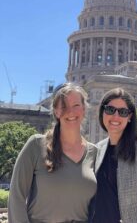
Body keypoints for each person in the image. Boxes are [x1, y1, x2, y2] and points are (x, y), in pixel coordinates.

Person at [8, 83, 97, 223]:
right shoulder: (36, 145)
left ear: (84, 109)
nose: (71, 112)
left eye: (76, 105)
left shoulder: (95, 153)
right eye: (64, 106)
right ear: (56, 111)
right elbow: (16, 197)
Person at [89, 88, 137, 223]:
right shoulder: (97, 149)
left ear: (129, 117)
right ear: (102, 112)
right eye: (110, 110)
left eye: (123, 112)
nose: (116, 117)